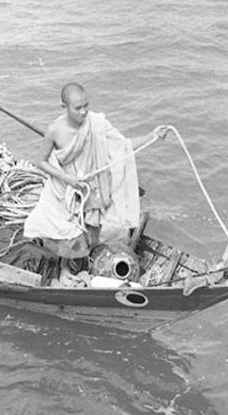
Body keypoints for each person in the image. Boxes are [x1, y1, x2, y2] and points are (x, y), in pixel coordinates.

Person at [24, 82, 167, 274]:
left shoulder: (97, 124)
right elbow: (40, 161)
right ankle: (64, 269)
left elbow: (123, 145)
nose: (83, 112)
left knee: (90, 236)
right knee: (64, 233)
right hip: (65, 189)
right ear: (64, 107)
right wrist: (67, 178)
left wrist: (152, 136)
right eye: (78, 108)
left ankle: (82, 264)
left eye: (86, 106)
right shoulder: (54, 130)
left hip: (91, 189)